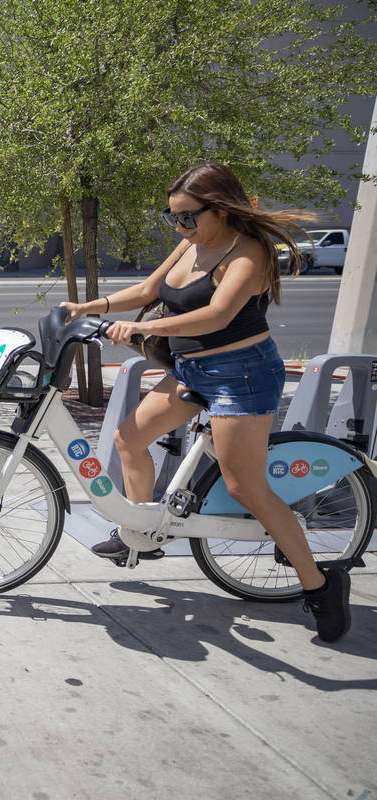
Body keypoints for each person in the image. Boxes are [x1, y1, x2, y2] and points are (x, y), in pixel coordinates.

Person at [60, 162, 351, 643]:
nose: (180, 227)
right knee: (128, 439)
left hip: (242, 375)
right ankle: (142, 530)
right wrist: (88, 307)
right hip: (191, 369)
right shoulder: (192, 241)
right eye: (173, 218)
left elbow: (215, 316)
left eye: (188, 218)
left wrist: (144, 327)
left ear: (219, 209)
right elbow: (151, 290)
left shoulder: (250, 252)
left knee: (245, 489)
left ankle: (320, 584)